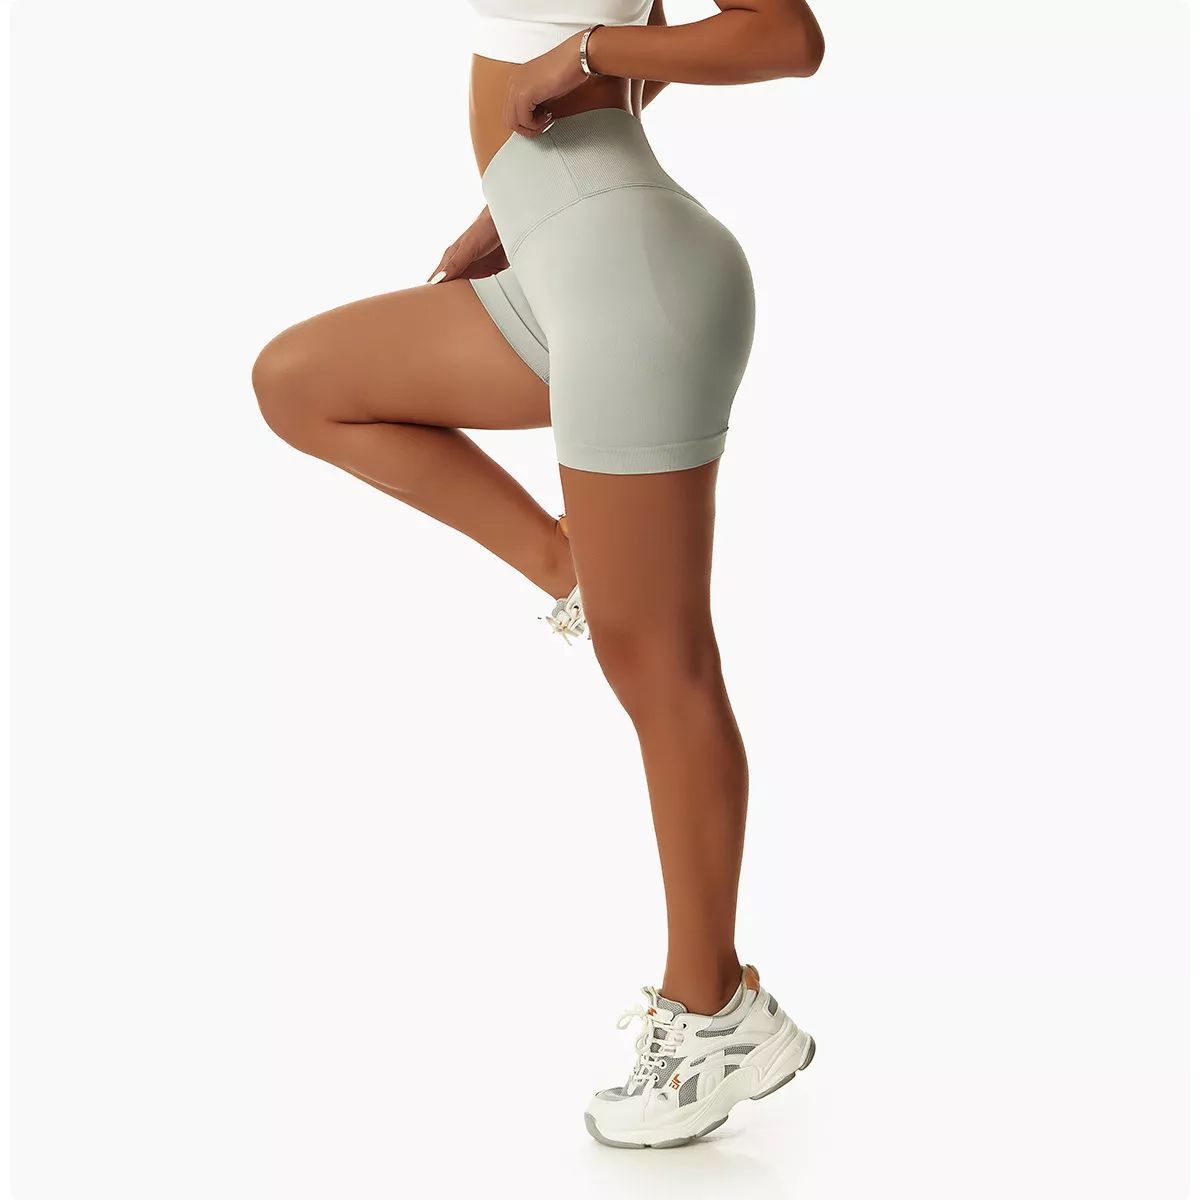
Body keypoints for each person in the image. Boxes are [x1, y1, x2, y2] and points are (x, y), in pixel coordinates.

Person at [253, 0, 824, 1148]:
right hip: (561, 261)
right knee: (301, 380)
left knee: (661, 667)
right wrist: (514, 201)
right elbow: (619, 37)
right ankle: (567, 560)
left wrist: (591, 56)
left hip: (632, 282)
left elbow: (783, 35)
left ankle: (713, 1010)